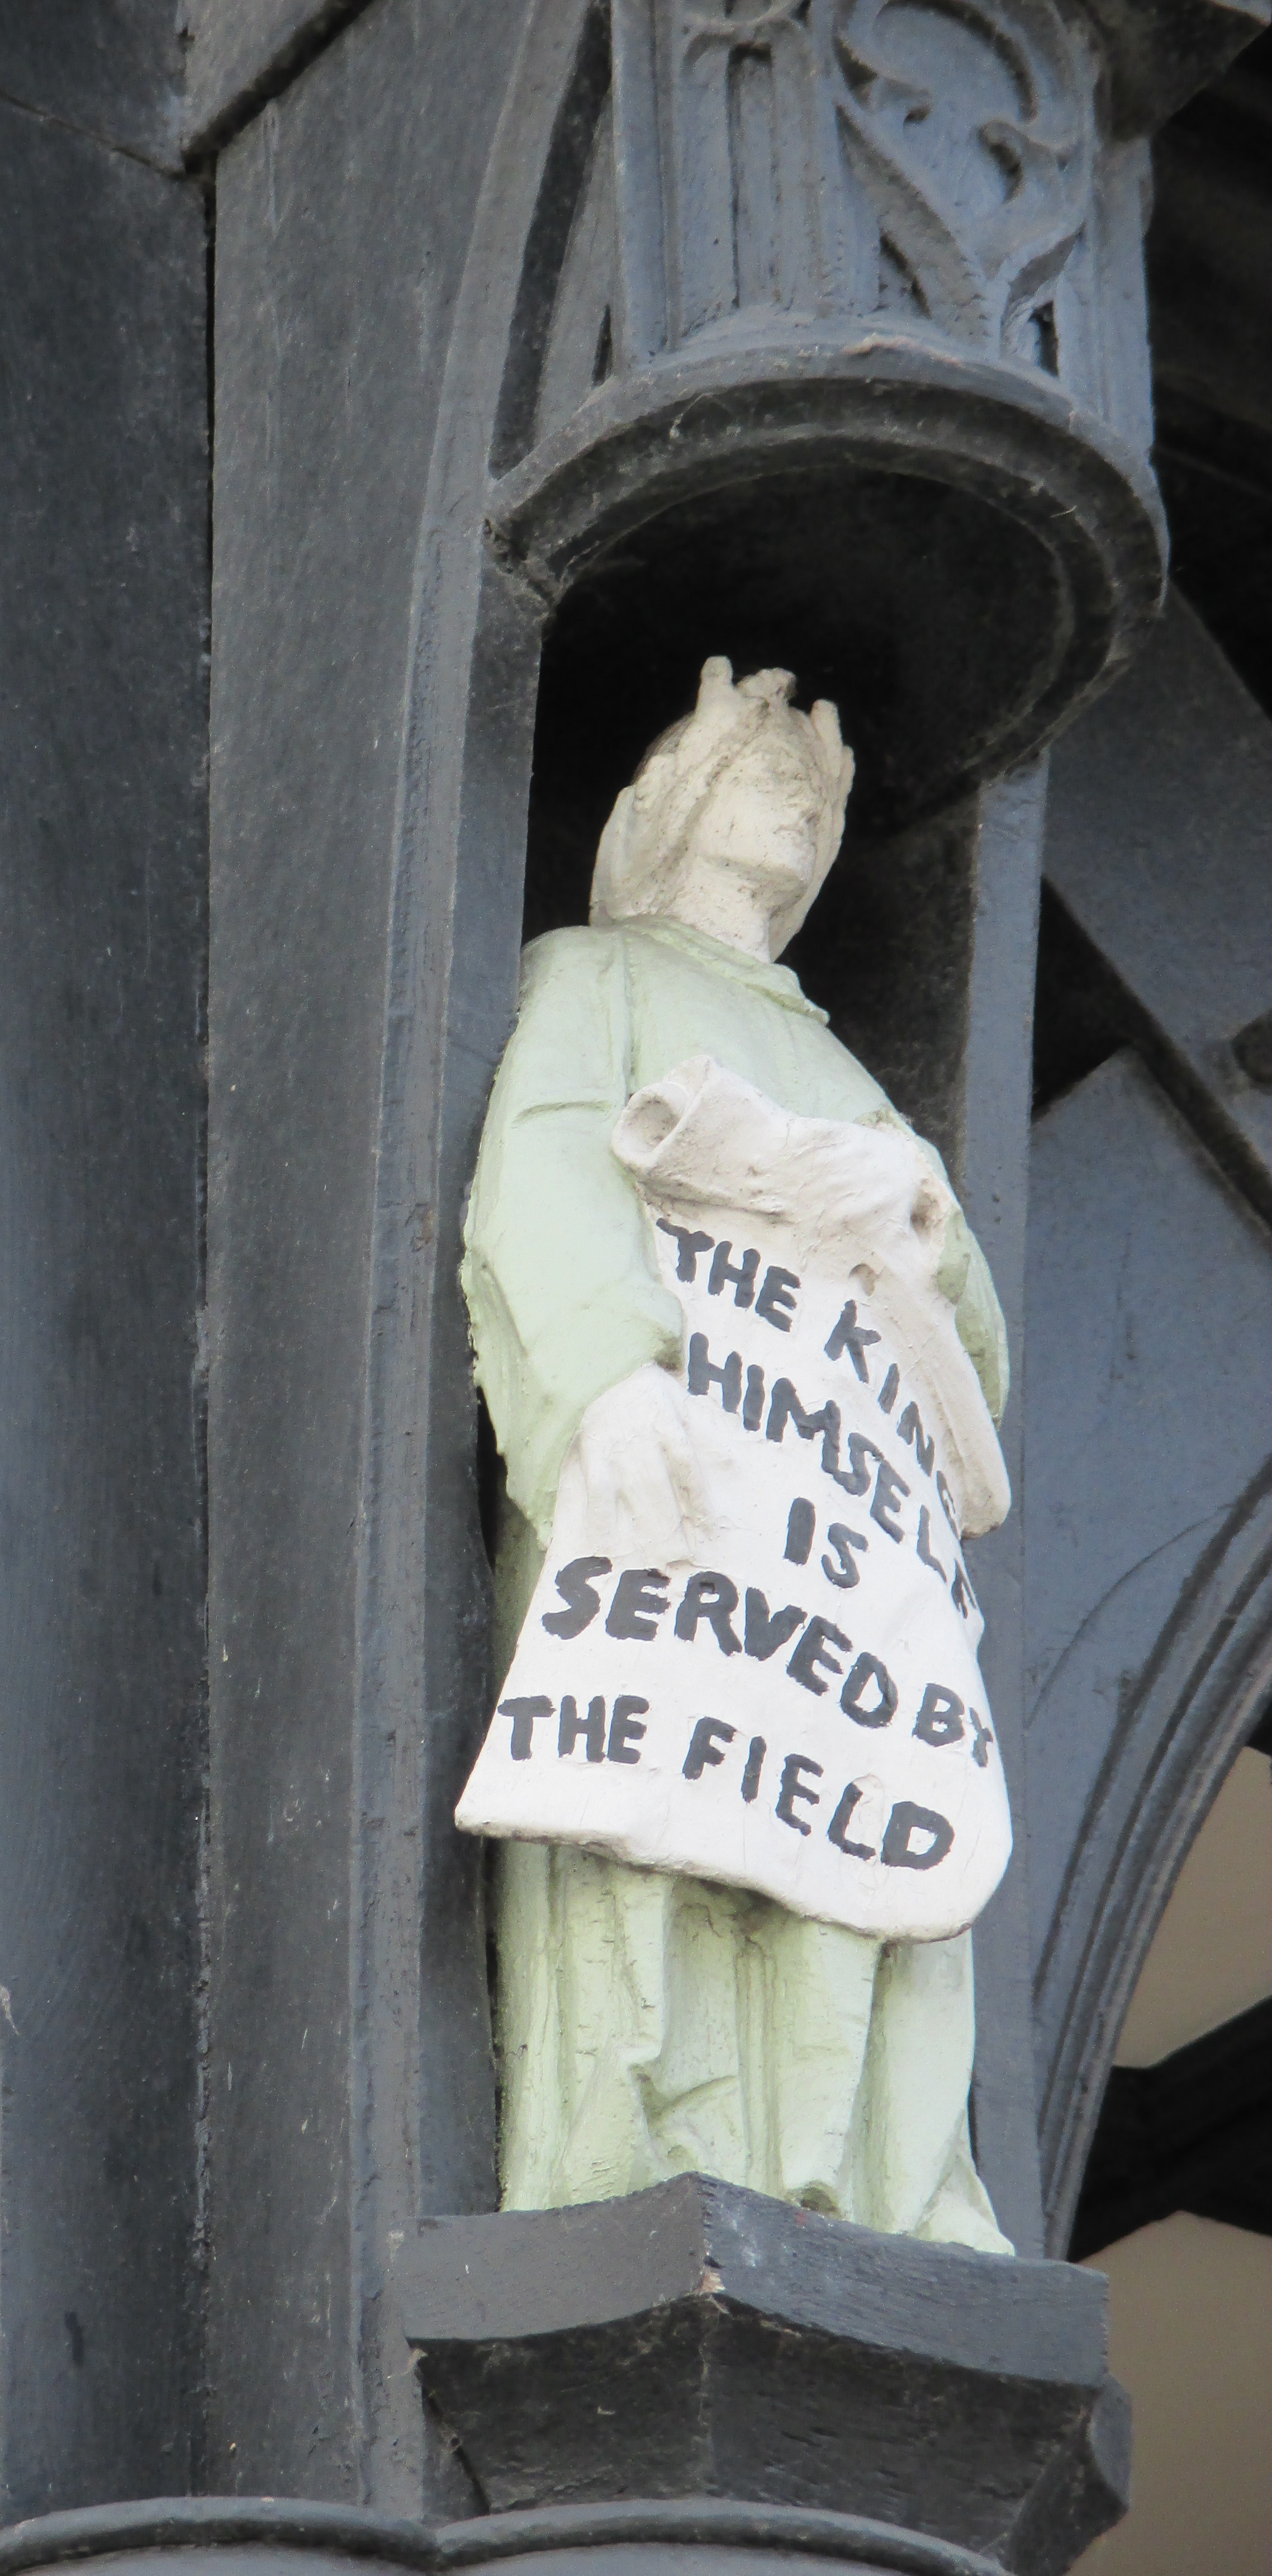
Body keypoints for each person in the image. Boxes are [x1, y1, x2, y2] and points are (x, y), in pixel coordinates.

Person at [462, 658, 1011, 2250]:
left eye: (818, 798)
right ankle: (632, 2155)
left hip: (832, 1531)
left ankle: (871, 2182)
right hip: (683, 1480)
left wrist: (917, 1226)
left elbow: (969, 1364)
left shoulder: (852, 1080)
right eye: (764, 775)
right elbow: (546, 1162)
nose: (799, 808)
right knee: (649, 1813)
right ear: (675, 804)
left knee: (856, 1831)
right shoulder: (599, 975)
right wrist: (605, 1378)